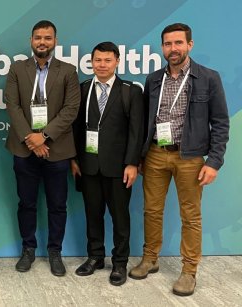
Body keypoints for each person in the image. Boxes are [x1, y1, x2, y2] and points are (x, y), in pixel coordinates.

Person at [129, 23, 229, 296]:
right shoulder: (153, 80)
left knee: (191, 216)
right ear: (162, 47)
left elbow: (220, 122)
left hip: (191, 157)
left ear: (190, 45)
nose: (173, 49)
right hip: (155, 155)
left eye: (178, 43)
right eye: (167, 44)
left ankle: (189, 271)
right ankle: (150, 258)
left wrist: (214, 161)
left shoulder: (208, 78)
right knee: (151, 210)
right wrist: (140, 156)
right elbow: (146, 121)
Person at [4, 20, 80, 276]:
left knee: (57, 205)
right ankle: (28, 249)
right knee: (26, 204)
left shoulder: (68, 71)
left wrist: (44, 136)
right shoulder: (17, 69)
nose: (42, 42)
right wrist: (30, 137)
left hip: (56, 151)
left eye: (47, 38)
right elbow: (12, 106)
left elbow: (71, 110)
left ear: (55, 41)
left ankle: (55, 252)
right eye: (38, 37)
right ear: (31, 40)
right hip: (24, 150)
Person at [70, 42, 143, 286]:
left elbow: (136, 132)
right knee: (93, 214)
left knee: (120, 217)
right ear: (91, 62)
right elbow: (76, 128)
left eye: (107, 60)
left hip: (119, 167)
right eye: (97, 60)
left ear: (117, 61)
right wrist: (74, 159)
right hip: (88, 166)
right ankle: (95, 257)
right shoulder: (83, 89)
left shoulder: (129, 91)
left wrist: (133, 163)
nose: (102, 65)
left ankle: (120, 263)